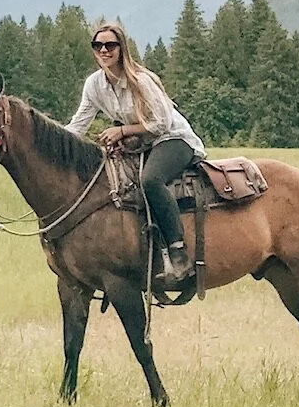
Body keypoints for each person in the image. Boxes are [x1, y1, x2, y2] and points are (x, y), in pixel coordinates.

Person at [66, 21, 205, 282]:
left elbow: (161, 123)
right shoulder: (94, 85)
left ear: (122, 48)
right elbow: (78, 125)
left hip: (173, 138)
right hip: (142, 144)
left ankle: (178, 252)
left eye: (110, 45)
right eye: (98, 46)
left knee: (150, 180)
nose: (104, 51)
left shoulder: (141, 81)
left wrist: (121, 132)